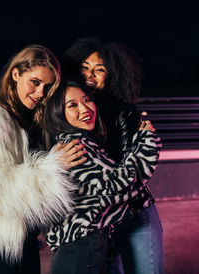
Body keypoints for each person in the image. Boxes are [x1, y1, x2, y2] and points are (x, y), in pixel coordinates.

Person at [0, 45, 88, 274]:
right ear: (16, 74)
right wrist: (53, 167)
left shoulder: (28, 119)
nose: (40, 93)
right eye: (35, 82)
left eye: (48, 87)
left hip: (24, 241)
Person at [62, 37, 164, 274]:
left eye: (99, 69)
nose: (90, 74)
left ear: (112, 75)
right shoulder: (66, 115)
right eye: (85, 67)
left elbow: (133, 175)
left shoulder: (123, 113)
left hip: (132, 214)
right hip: (99, 222)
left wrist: (147, 143)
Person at [43, 81, 161, 274]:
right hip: (80, 248)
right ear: (58, 114)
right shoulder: (75, 146)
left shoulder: (78, 140)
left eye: (87, 100)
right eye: (72, 105)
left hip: (82, 246)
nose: (85, 108)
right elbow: (121, 186)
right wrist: (148, 141)